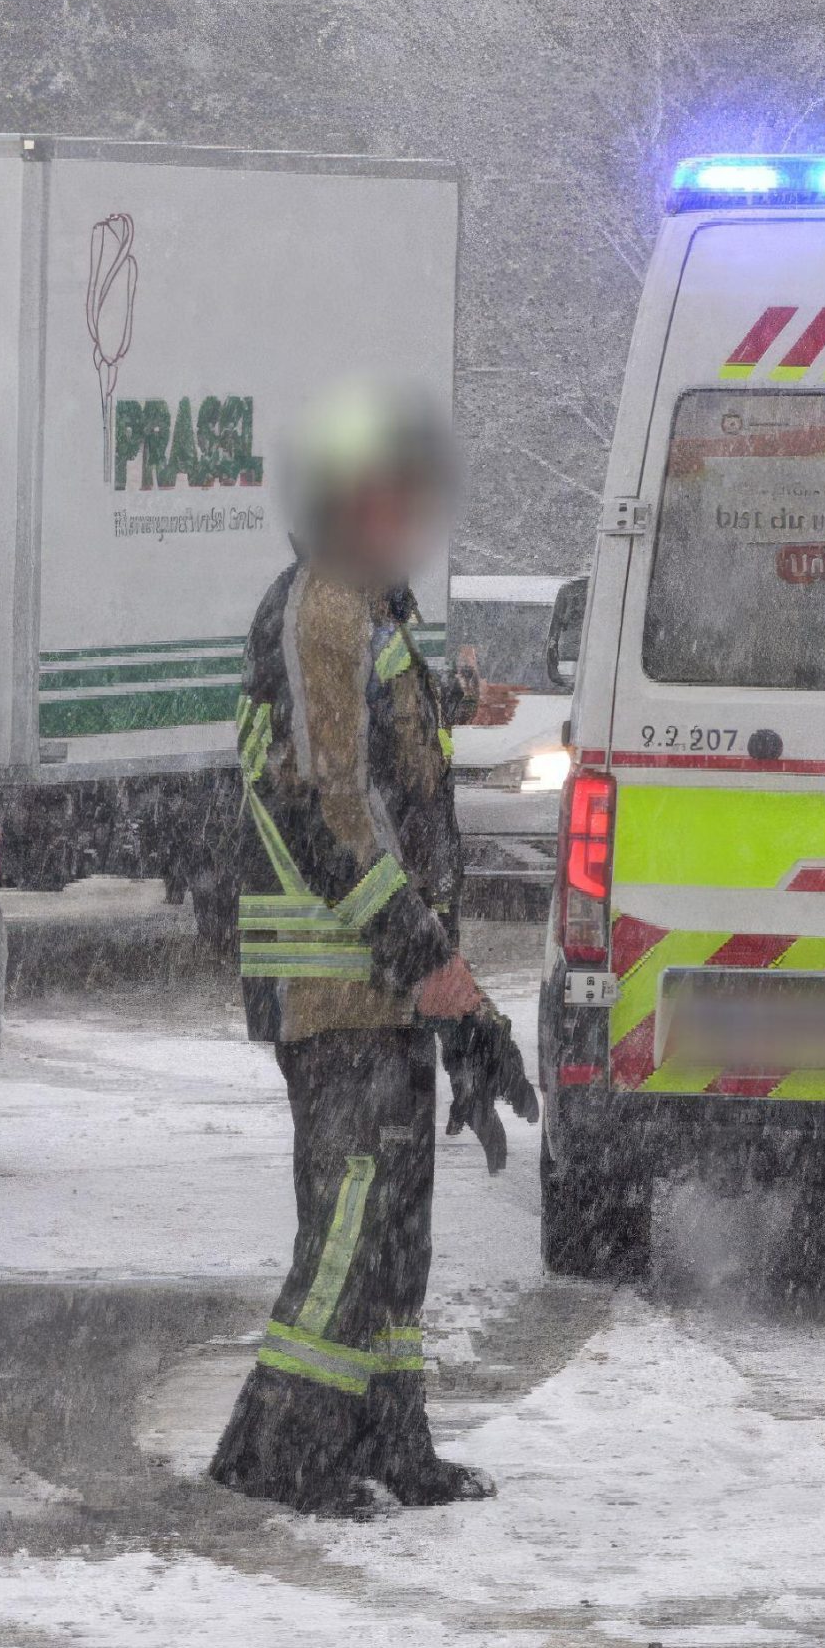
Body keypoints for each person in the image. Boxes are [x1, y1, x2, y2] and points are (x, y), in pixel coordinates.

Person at [211, 381, 499, 1520]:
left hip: (382, 979)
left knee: (394, 1226)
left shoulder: (370, 612)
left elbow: (391, 754)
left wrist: (458, 701)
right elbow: (333, 809)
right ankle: (284, 1450)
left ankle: (390, 1434)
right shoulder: (322, 608)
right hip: (336, 978)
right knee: (347, 1226)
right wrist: (422, 951)